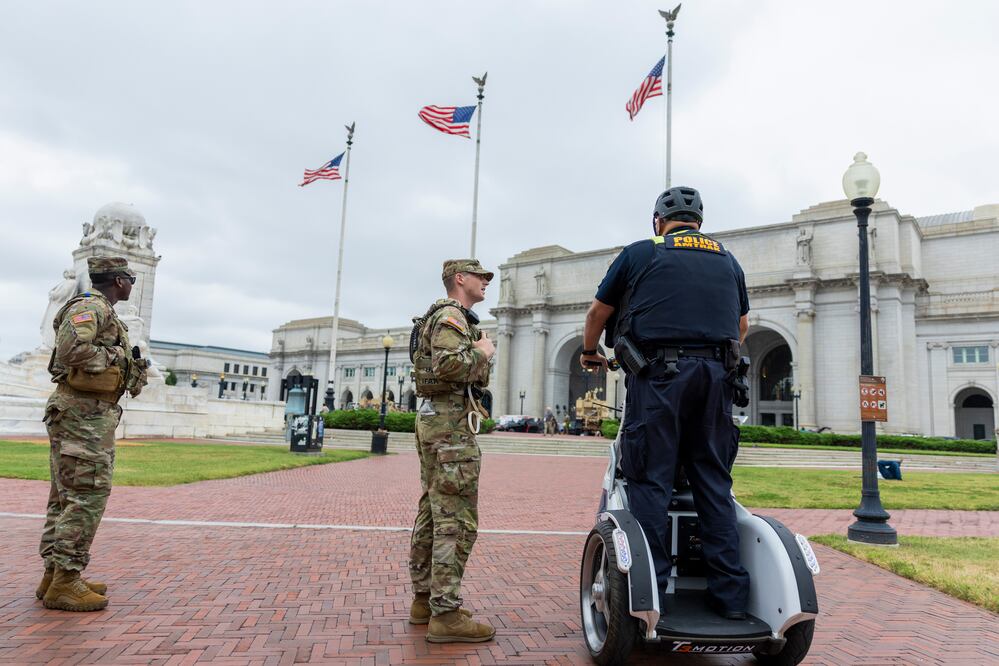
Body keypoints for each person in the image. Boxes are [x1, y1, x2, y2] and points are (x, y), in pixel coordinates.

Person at [580, 186, 751, 620]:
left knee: (650, 481)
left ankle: (649, 594)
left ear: (659, 221)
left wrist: (589, 351)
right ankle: (730, 599)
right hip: (716, 379)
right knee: (713, 483)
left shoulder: (641, 251)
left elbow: (598, 313)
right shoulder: (727, 259)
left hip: (659, 378)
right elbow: (742, 325)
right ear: (699, 223)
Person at [36, 256, 148, 611]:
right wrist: (116, 358)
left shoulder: (102, 311)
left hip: (87, 414)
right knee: (86, 494)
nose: (132, 283)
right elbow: (72, 350)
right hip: (82, 415)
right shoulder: (90, 308)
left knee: (68, 496)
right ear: (117, 281)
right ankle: (65, 581)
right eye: (129, 277)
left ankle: (55, 575)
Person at [407, 259, 496, 643]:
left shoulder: (446, 316)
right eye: (480, 277)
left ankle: (425, 601)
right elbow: (448, 365)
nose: (485, 283)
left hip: (438, 423)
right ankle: (445, 613)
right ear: (460, 279)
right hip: (450, 430)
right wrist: (483, 352)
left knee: (432, 509)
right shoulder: (452, 317)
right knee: (455, 518)